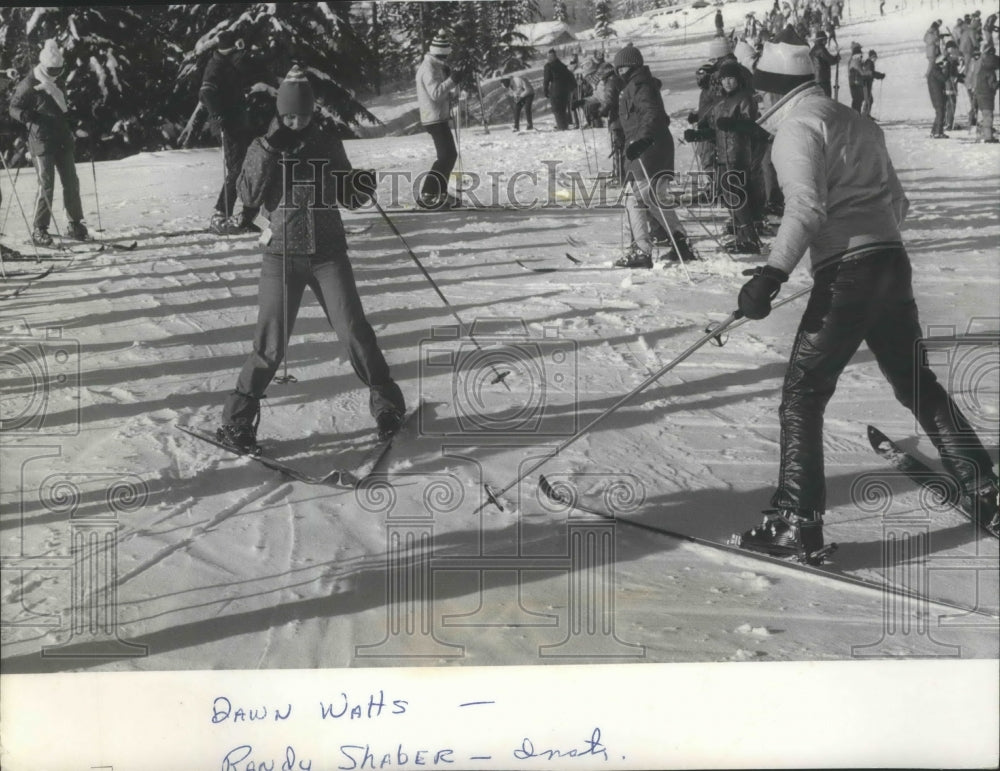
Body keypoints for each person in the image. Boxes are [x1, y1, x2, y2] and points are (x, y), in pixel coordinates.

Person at [731, 29, 999, 560]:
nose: (757, 102)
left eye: (761, 93)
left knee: (803, 395)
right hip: (891, 264)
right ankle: (985, 487)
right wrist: (865, 247)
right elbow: (898, 205)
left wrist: (771, 274)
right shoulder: (857, 121)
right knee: (915, 382)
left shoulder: (797, 128)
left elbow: (805, 208)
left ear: (778, 90)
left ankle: (795, 520)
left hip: (847, 276)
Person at [218, 66, 406, 452]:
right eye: (289, 115)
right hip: (281, 256)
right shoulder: (263, 144)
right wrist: (271, 148)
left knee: (355, 331)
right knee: (270, 344)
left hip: (327, 254)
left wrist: (359, 188)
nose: (296, 121)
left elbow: (346, 194)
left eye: (302, 115)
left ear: (312, 113)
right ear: (279, 112)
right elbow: (248, 194)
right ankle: (237, 420)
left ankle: (387, 406)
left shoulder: (327, 142)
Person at [610, 45, 696, 269]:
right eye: (618, 68)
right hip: (651, 147)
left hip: (648, 149)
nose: (620, 72)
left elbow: (653, 115)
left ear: (633, 66)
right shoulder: (636, 85)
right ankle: (681, 243)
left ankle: (642, 250)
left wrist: (642, 140)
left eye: (623, 67)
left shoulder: (639, 85)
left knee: (635, 198)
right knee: (653, 198)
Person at [8, 40, 88, 247]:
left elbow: (62, 108)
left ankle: (74, 224)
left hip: (62, 139)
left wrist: (73, 122)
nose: (56, 73)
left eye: (59, 69)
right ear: (43, 66)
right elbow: (13, 108)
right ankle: (39, 230)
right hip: (41, 142)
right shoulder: (29, 84)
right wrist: (25, 115)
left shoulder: (57, 81)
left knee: (71, 182)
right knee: (47, 185)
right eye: (52, 69)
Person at [687, 59, 766, 254]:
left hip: (739, 153)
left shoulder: (744, 98)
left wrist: (734, 125)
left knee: (736, 194)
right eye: (724, 80)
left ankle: (750, 237)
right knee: (727, 195)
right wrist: (698, 135)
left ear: (738, 80)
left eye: (731, 79)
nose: (727, 83)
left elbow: (754, 126)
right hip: (722, 154)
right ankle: (741, 235)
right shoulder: (721, 102)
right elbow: (716, 129)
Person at [199, 30, 260, 235]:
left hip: (240, 123)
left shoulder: (229, 64)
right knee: (236, 170)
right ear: (230, 50)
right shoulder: (216, 65)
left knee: (250, 167)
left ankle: (249, 215)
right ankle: (220, 213)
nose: (240, 55)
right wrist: (217, 115)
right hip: (228, 125)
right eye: (237, 51)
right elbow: (206, 91)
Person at [415, 30, 461, 210]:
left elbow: (440, 93)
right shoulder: (428, 69)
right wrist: (451, 81)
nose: (448, 58)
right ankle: (429, 193)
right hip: (433, 119)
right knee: (446, 156)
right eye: (446, 54)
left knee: (449, 155)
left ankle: (440, 192)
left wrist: (451, 88)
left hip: (438, 117)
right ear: (440, 53)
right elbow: (435, 94)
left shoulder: (435, 67)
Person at [928, 44, 958, 137]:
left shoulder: (935, 69)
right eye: (941, 63)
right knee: (940, 112)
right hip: (937, 94)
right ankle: (938, 132)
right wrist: (947, 67)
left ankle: (934, 131)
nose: (942, 64)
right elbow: (944, 78)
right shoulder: (935, 70)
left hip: (937, 93)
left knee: (939, 112)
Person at [543, 49, 577, 131]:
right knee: (563, 107)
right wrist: (572, 87)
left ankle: (561, 126)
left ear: (551, 57)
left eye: (549, 56)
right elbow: (570, 76)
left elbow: (546, 79)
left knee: (556, 108)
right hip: (565, 90)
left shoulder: (548, 66)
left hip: (555, 89)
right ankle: (564, 125)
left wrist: (545, 90)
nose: (548, 58)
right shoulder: (562, 65)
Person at [975, 44, 998, 142]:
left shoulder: (982, 69)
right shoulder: (990, 72)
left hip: (980, 95)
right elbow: (993, 85)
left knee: (985, 115)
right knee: (988, 116)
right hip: (987, 96)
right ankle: (988, 137)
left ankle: (981, 132)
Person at [809, 30, 840, 98]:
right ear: (822, 40)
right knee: (826, 98)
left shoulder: (812, 50)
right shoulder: (821, 49)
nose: (826, 42)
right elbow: (831, 60)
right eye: (825, 39)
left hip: (816, 79)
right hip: (823, 79)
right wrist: (837, 57)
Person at [860, 50, 885, 117]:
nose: (875, 59)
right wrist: (880, 75)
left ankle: (866, 114)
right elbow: (871, 73)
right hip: (866, 83)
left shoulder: (869, 63)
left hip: (867, 83)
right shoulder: (869, 63)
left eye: (876, 57)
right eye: (874, 57)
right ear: (871, 57)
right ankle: (865, 115)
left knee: (869, 99)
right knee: (868, 99)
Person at [847, 42, 865, 112]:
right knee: (858, 99)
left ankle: (857, 114)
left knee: (857, 100)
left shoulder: (853, 60)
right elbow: (861, 71)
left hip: (854, 82)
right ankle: (856, 115)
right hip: (855, 82)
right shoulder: (855, 61)